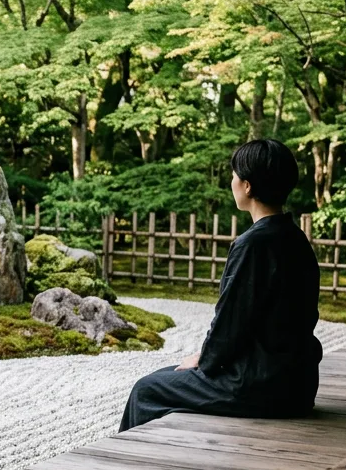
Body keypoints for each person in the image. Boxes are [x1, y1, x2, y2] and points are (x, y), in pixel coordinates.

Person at [119, 139, 323, 432]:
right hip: (299, 382)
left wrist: (205, 361)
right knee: (169, 376)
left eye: (234, 175)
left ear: (247, 186)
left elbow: (230, 324)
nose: (232, 181)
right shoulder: (295, 238)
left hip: (261, 385)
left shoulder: (253, 244)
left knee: (147, 389)